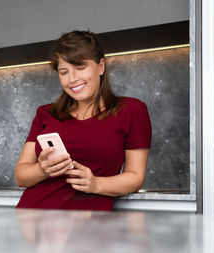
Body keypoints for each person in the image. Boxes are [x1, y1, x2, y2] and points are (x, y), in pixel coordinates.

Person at [15, 30, 152, 211]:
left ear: (100, 66)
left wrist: (96, 184)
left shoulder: (132, 110)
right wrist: (42, 169)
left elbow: (135, 177)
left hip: (89, 225)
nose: (72, 79)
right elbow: (20, 176)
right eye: (64, 72)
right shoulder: (45, 113)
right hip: (31, 218)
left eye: (80, 68)